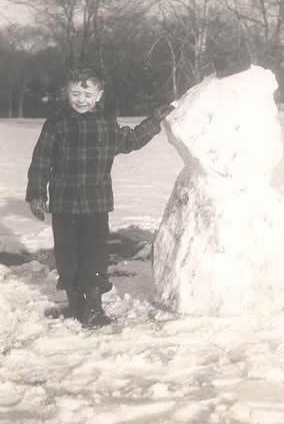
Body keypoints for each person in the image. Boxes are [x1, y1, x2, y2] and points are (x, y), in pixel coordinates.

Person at [25, 67, 173, 327]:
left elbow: (129, 141)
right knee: (67, 253)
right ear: (66, 92)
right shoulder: (56, 123)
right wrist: (37, 194)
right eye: (75, 92)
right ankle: (76, 304)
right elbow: (41, 160)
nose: (81, 99)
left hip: (96, 202)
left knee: (94, 253)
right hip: (64, 202)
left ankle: (93, 307)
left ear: (99, 95)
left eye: (87, 93)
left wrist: (153, 121)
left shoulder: (105, 122)